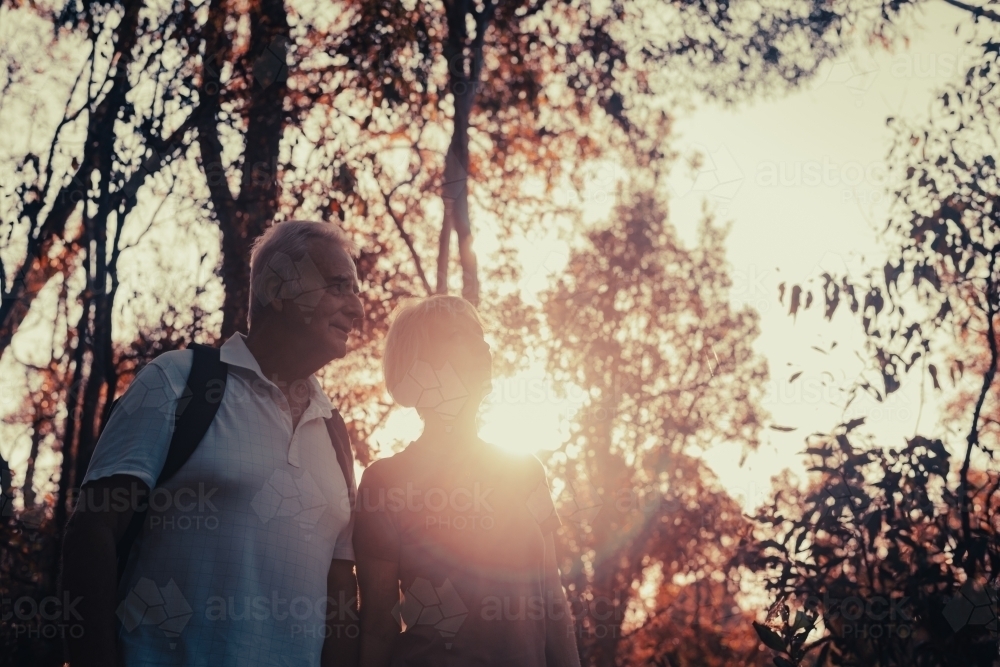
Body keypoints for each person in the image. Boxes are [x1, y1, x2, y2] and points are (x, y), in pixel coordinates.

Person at [60, 220, 366, 667]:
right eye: (339, 287)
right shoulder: (176, 381)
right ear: (280, 288)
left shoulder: (336, 433)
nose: (357, 309)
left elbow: (341, 596)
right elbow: (91, 532)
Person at [353, 295, 581, 667]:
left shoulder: (527, 472)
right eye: (459, 336)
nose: (483, 345)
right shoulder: (384, 483)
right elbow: (379, 624)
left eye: (481, 334)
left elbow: (553, 600)